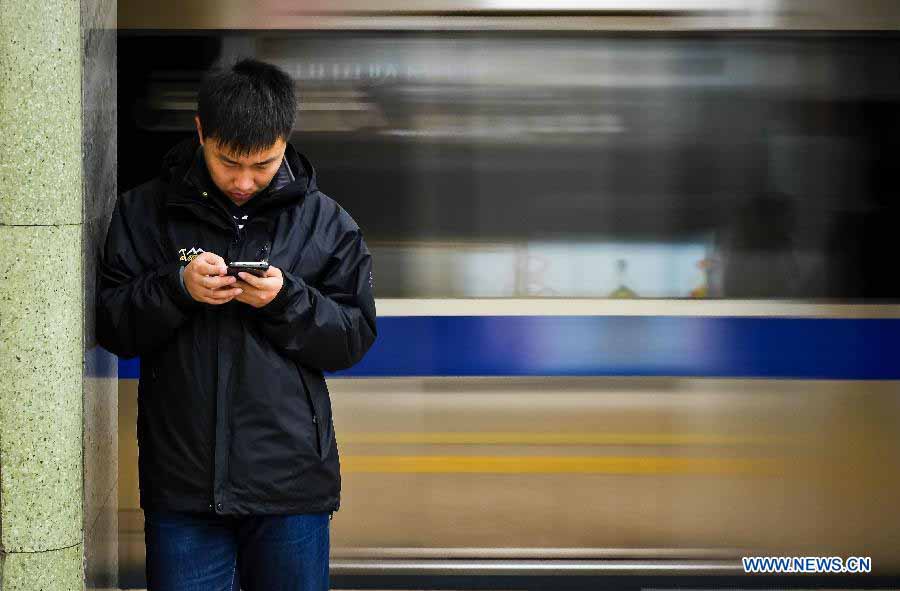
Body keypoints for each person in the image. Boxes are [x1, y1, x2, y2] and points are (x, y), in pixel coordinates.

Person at [97, 58, 377, 591]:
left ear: (285, 139)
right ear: (201, 131)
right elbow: (112, 326)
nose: (245, 181)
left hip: (291, 487)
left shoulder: (327, 223)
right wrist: (176, 289)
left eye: (263, 164)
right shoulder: (142, 213)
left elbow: (353, 337)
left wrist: (285, 299)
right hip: (183, 488)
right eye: (228, 162)